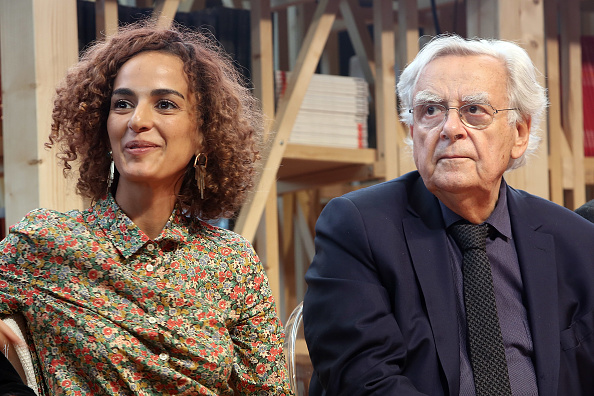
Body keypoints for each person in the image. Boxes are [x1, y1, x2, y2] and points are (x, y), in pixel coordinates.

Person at [0, 21, 291, 395]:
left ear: (204, 132)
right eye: (122, 104)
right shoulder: (45, 242)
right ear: (101, 126)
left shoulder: (232, 261)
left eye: (165, 104)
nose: (138, 120)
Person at [303, 34, 594, 396]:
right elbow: (363, 379)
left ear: (519, 132)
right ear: (413, 129)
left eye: (474, 110)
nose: (450, 129)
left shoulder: (576, 240)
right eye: (430, 110)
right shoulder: (357, 226)